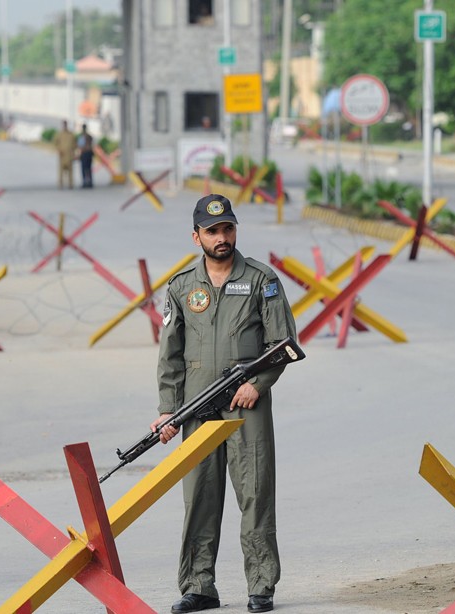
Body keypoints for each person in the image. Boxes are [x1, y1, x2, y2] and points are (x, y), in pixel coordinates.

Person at [151, 194, 297, 614]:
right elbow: (170, 355)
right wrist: (168, 409)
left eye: (227, 228)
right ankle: (199, 586)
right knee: (199, 496)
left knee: (255, 493)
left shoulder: (261, 280)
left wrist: (258, 383)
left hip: (246, 406)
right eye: (212, 231)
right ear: (196, 236)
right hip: (198, 406)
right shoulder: (182, 287)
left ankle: (261, 585)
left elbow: (284, 344)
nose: (222, 237)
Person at [52, 120, 78, 189]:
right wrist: (59, 150)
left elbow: (75, 144)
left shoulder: (71, 134)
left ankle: (70, 184)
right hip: (62, 155)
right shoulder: (59, 134)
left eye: (65, 124)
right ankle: (60, 184)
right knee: (61, 171)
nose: (65, 126)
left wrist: (74, 152)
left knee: (70, 171)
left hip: (69, 155)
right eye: (64, 124)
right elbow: (55, 143)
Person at [78, 123, 94, 189]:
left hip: (85, 154)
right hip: (89, 154)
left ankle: (85, 182)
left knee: (84, 169)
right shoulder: (89, 136)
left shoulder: (82, 137)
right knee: (88, 169)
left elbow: (80, 146)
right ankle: (89, 182)